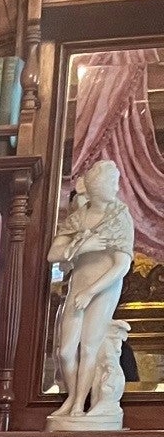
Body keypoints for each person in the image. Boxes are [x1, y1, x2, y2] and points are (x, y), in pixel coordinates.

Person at [48, 159, 135, 421]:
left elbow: (121, 265)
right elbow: (53, 254)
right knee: (65, 351)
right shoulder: (79, 217)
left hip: (104, 289)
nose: (117, 188)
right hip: (78, 286)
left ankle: (77, 406)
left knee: (89, 348)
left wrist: (92, 292)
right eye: (113, 182)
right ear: (99, 186)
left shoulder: (120, 217)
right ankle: (73, 395)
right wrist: (81, 248)